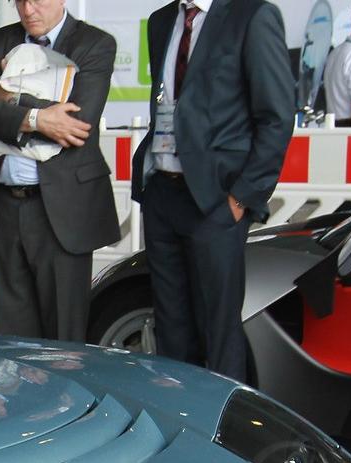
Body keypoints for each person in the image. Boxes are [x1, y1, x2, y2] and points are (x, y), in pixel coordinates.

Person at [131, 0, 294, 383]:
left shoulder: (252, 15)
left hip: (215, 202)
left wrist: (240, 200)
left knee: (219, 332)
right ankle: (181, 426)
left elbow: (276, 117)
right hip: (162, 194)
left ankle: (221, 433)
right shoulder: (161, 21)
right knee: (170, 330)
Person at [0, 0, 121, 343]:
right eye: (19, 0)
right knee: (12, 336)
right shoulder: (1, 41)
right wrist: (39, 117)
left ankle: (67, 399)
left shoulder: (93, 44)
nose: (28, 9)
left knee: (63, 338)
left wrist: (9, 95)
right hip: (6, 204)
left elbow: (75, 125)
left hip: (61, 210)